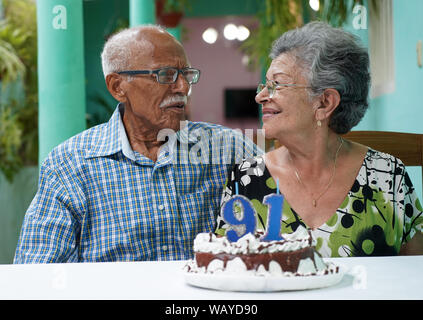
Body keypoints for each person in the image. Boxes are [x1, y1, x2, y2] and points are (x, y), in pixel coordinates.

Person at [14, 25, 260, 263]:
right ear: (118, 87)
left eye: (186, 75)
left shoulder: (228, 149)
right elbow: (38, 269)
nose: (183, 87)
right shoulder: (70, 165)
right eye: (166, 75)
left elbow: (279, 237)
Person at [215, 21, 423, 257]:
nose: (260, 96)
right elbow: (228, 270)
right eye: (265, 85)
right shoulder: (245, 178)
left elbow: (416, 273)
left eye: (277, 85)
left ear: (324, 102)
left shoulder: (388, 175)